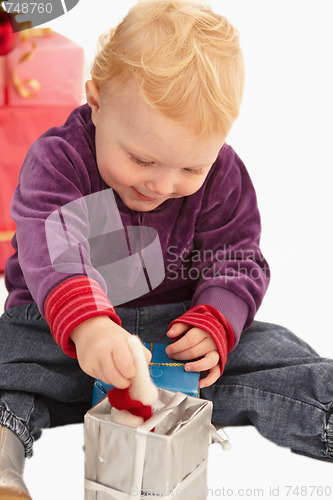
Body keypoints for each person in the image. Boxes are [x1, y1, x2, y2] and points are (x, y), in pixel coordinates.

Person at [0, 0, 332, 497]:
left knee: (282, 355)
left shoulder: (223, 172)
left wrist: (216, 320)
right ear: (96, 100)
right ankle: (4, 465)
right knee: (7, 364)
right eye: (141, 159)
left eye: (189, 169)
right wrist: (89, 325)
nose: (161, 184)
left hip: (175, 335)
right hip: (58, 332)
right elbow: (54, 242)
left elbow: (237, 256)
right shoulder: (58, 158)